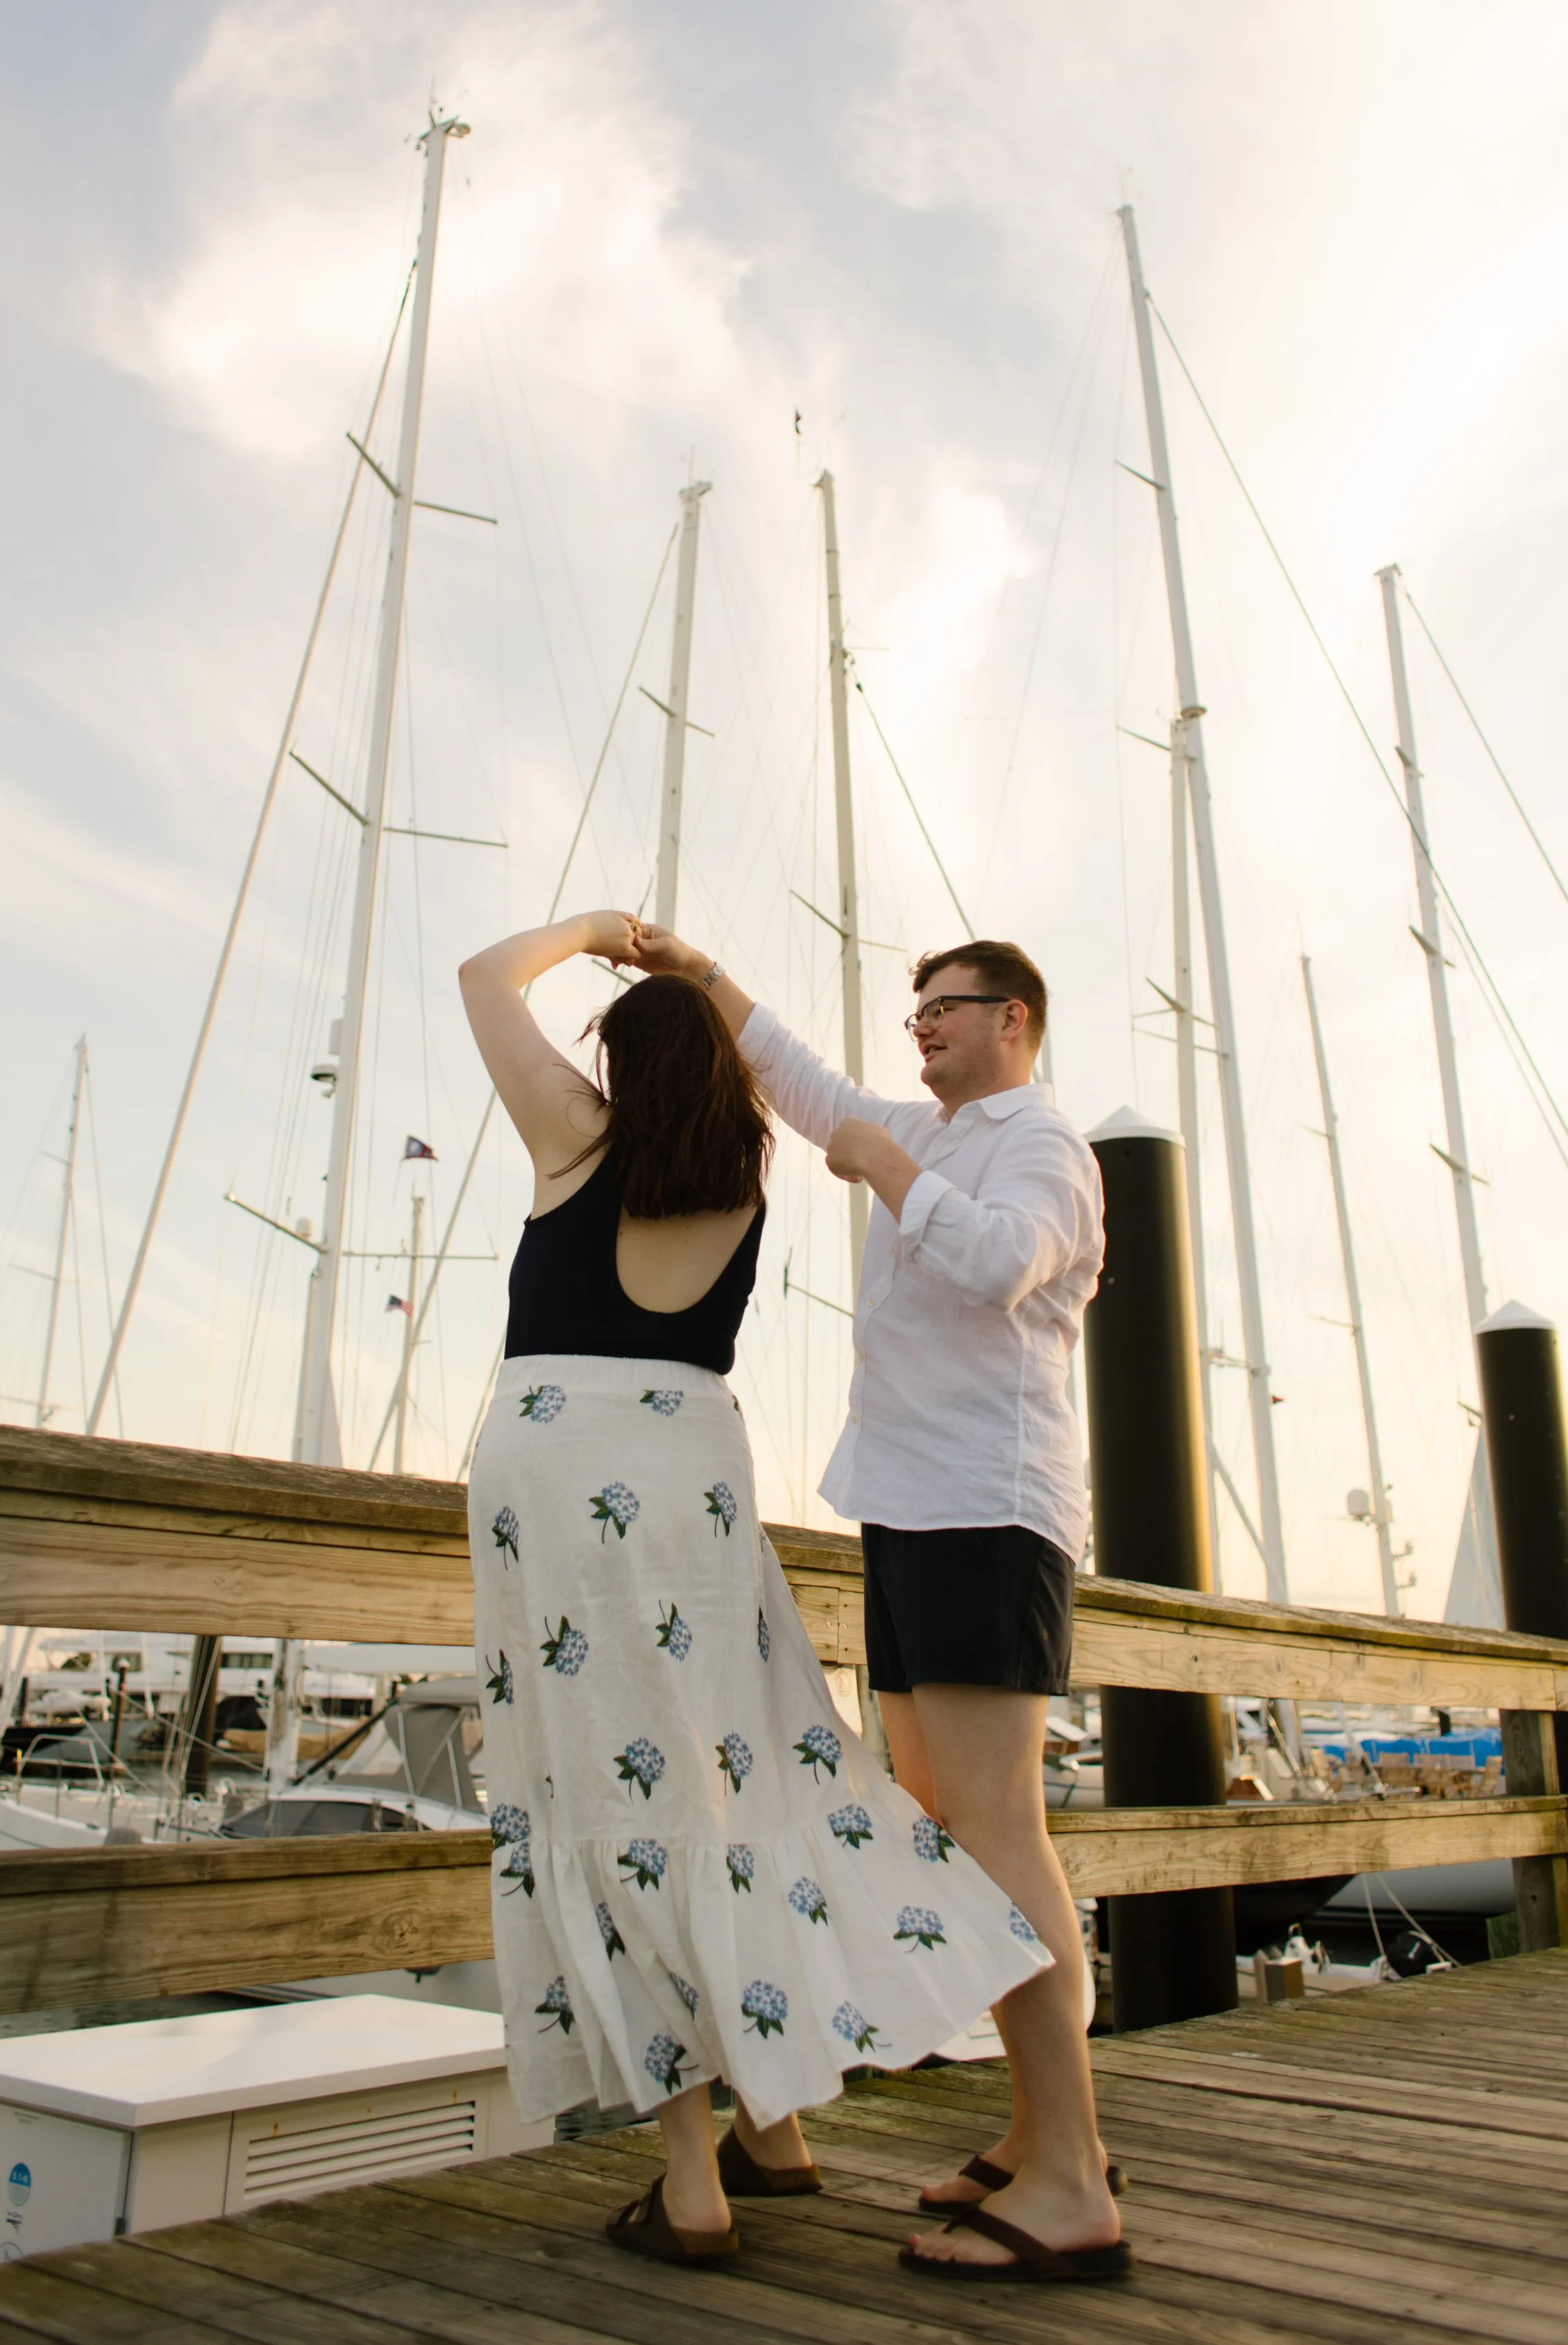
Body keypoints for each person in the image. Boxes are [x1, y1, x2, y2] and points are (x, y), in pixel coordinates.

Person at [458, 910, 1054, 2268]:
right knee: (727, 1771)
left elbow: (480, 977)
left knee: (606, 1789)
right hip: (695, 1466)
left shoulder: (572, 1138)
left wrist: (600, 935)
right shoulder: (744, 1173)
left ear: (614, 1063)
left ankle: (687, 2183)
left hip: (561, 1462)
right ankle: (773, 2125)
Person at [631, 923, 1128, 2284]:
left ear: (1014, 1020)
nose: (919, 1026)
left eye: (945, 1008)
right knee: (957, 1837)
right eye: (913, 1011)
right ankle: (1036, 2139)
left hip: (988, 1510)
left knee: (995, 1832)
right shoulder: (924, 1124)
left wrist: (888, 1167)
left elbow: (1001, 1266)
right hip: (912, 1511)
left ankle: (1072, 2177)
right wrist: (692, 974)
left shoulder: (1041, 1145)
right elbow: (789, 1074)